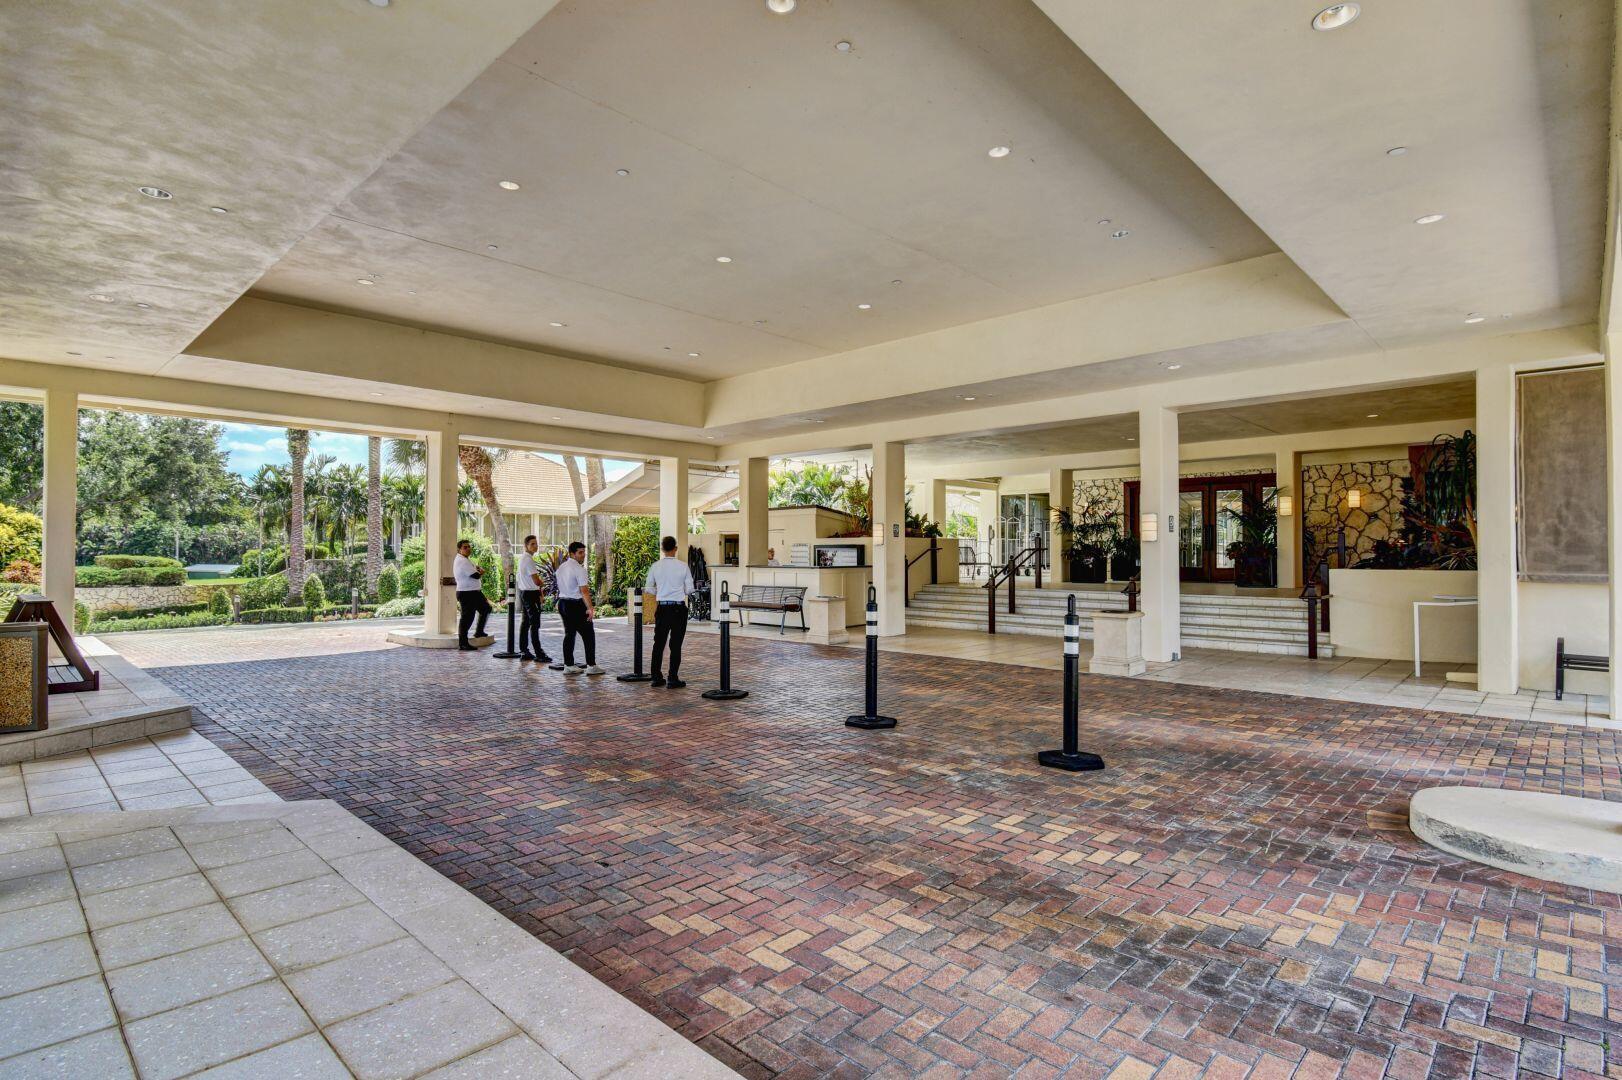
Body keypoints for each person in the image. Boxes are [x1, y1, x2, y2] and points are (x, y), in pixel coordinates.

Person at [644, 534, 695, 689]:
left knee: (659, 643)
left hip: (662, 607)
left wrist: (661, 592)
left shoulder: (655, 566)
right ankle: (673, 678)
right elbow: (690, 589)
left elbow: (649, 588)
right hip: (678, 608)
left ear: (662, 549)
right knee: (676, 644)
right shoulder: (683, 566)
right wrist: (679, 591)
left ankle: (656, 677)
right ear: (675, 548)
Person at [551, 541, 603, 675]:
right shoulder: (580, 570)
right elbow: (584, 591)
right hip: (575, 604)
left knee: (570, 634)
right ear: (572, 554)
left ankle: (568, 665)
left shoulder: (561, 568)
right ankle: (591, 666)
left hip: (563, 603)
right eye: (580, 552)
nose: (583, 555)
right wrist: (590, 608)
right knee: (588, 634)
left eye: (584, 552)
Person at [516, 535, 553, 665]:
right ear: (526, 546)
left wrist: (539, 592)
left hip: (525, 593)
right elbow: (537, 581)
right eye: (532, 544)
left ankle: (524, 651)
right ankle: (539, 654)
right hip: (530, 595)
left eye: (536, 544)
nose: (535, 546)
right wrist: (542, 583)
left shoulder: (523, 558)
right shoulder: (529, 560)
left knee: (526, 623)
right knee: (535, 624)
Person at [453, 539, 491, 651]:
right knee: (467, 618)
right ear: (459, 549)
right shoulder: (462, 561)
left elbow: (474, 571)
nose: (468, 549)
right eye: (465, 547)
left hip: (474, 592)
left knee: (486, 608)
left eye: (469, 547)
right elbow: (476, 575)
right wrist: (481, 572)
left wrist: (477, 569)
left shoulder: (466, 559)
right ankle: (463, 644)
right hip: (467, 593)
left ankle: (479, 632)